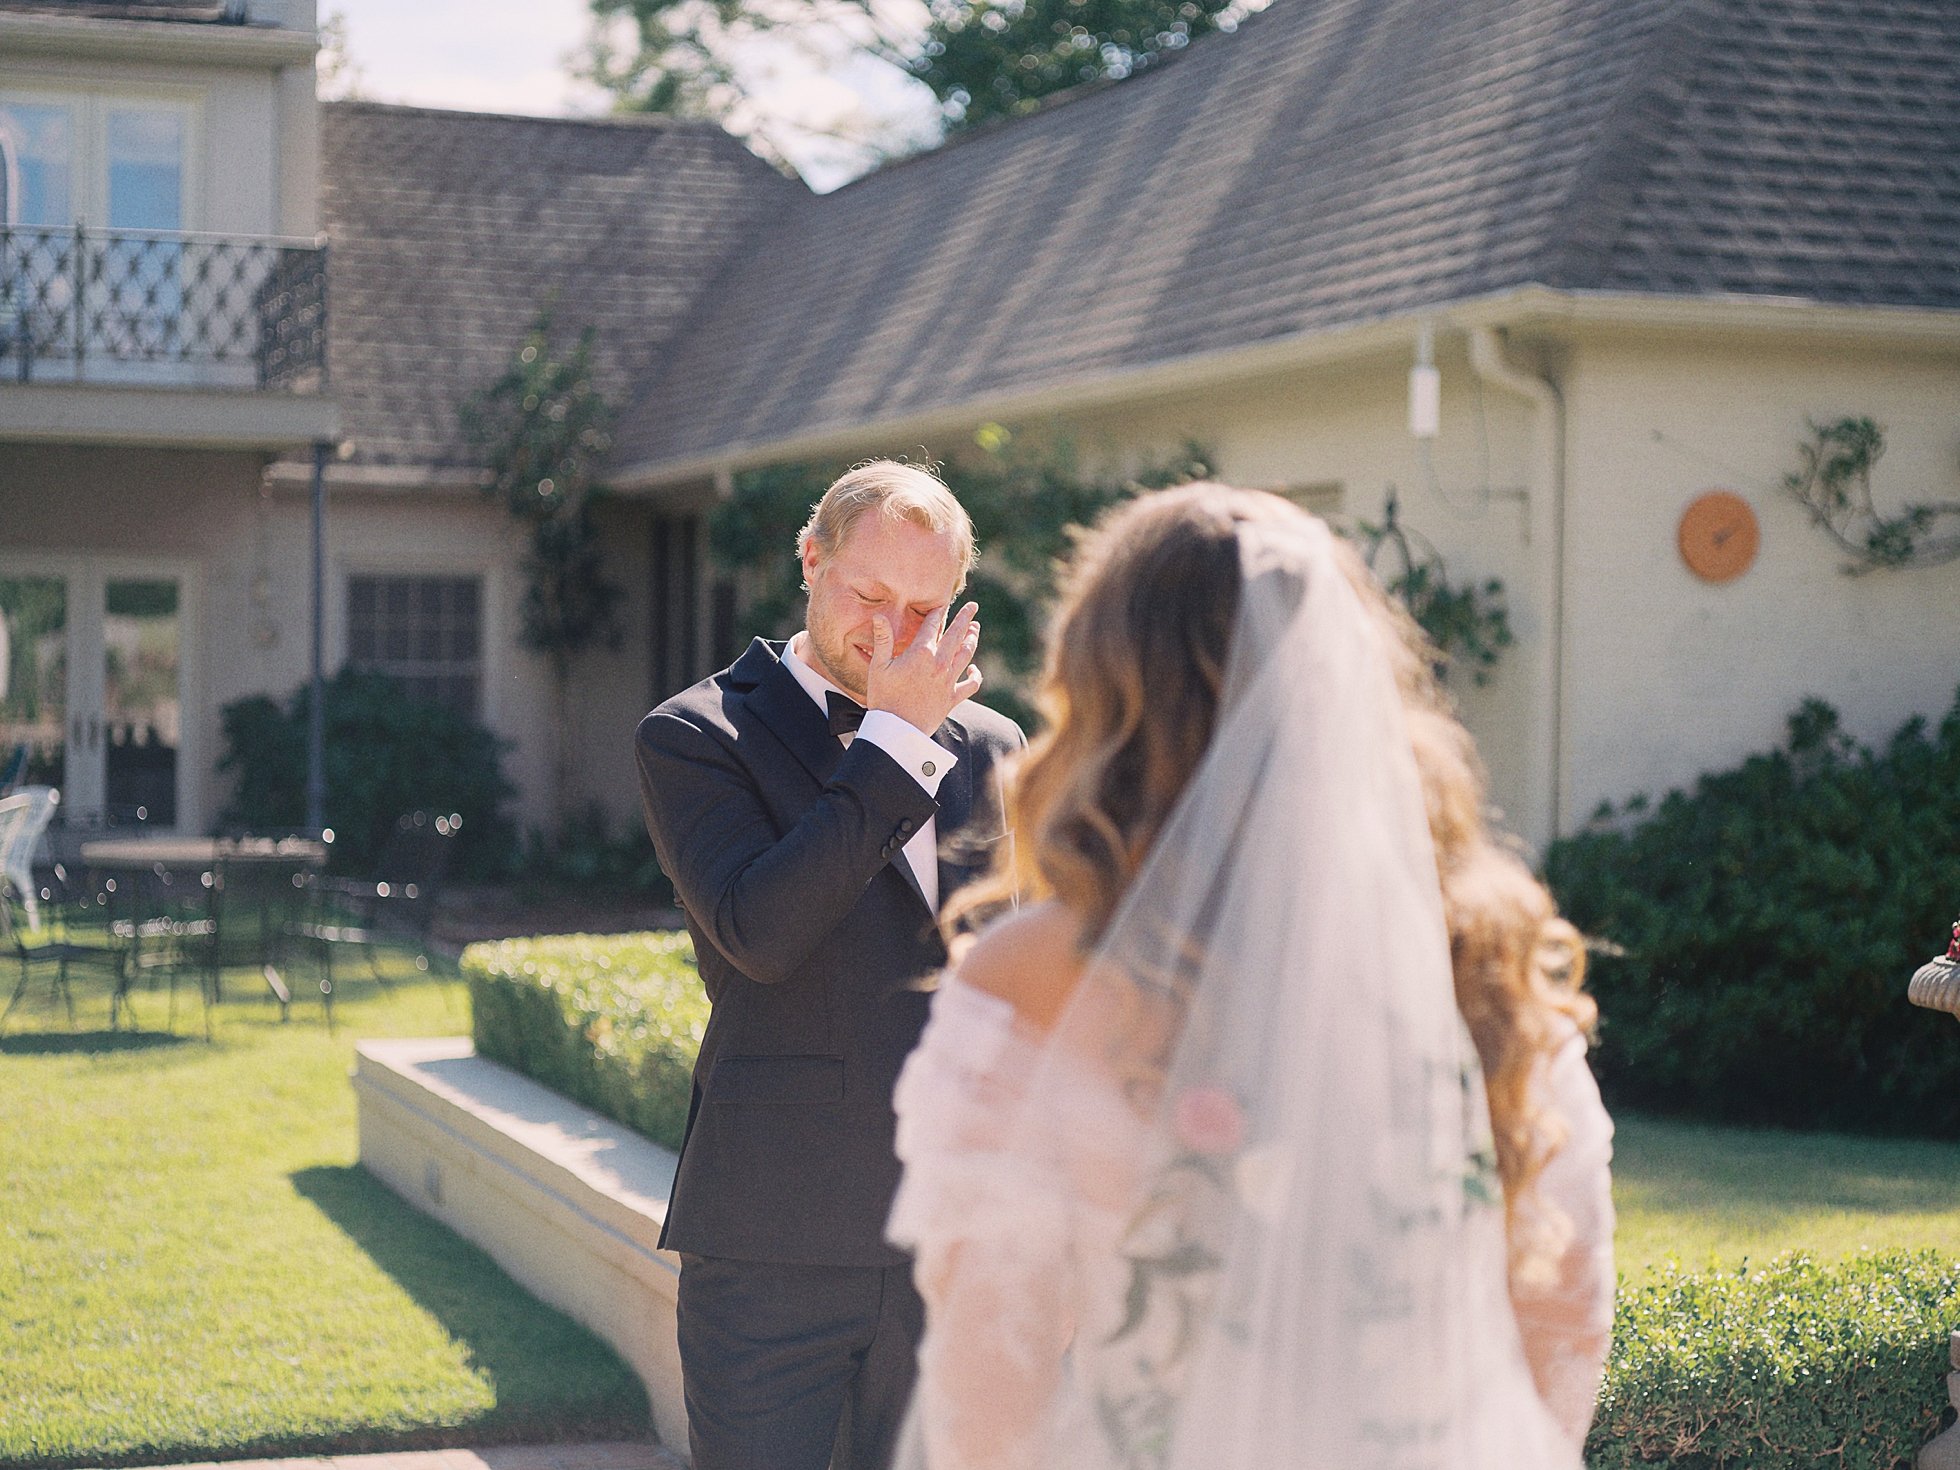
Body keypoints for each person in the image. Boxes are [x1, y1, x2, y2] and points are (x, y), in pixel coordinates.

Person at [885, 485, 1614, 1470]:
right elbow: (1563, 1314)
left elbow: (988, 1375)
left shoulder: (1035, 977)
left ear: (1102, 688)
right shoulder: (1480, 960)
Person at [635, 460, 1026, 1470]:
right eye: (869, 596)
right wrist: (893, 740)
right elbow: (761, 934)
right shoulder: (694, 734)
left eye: (925, 607)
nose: (896, 632)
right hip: (773, 1242)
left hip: (953, 1250)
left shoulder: (996, 748)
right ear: (811, 561)